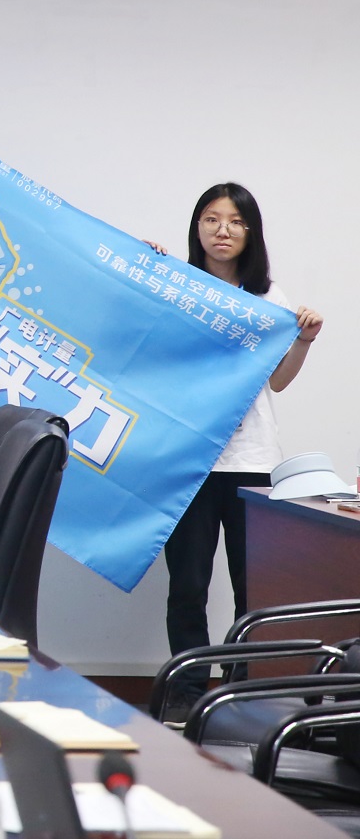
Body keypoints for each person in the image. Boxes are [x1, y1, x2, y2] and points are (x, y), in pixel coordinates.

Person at [158, 182, 324, 716]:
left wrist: (303, 340)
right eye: (211, 219)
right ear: (197, 227)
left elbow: (278, 381)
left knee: (251, 587)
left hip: (251, 461)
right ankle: (186, 694)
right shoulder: (178, 285)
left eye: (235, 221)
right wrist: (147, 272)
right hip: (189, 461)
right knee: (188, 585)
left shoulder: (268, 299)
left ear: (251, 232)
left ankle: (240, 693)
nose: (222, 230)